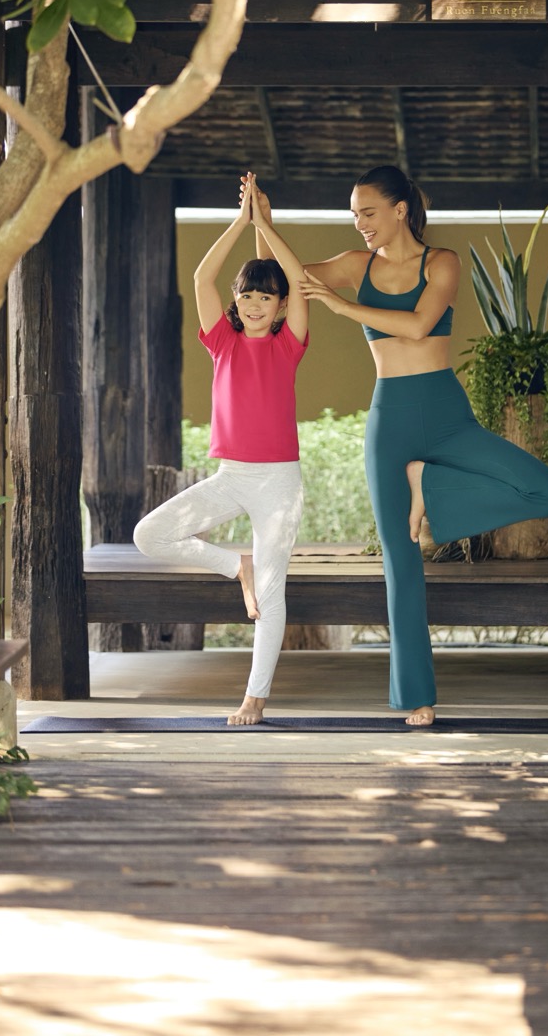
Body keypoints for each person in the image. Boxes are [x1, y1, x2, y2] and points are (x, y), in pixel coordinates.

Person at [254, 165, 548, 727]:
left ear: (400, 209)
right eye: (354, 214)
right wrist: (263, 223)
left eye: (368, 212)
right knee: (401, 559)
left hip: (446, 414)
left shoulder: (441, 262)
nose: (360, 223)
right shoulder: (356, 265)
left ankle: (430, 486)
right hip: (390, 418)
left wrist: (343, 307)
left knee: (546, 490)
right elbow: (278, 280)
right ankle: (417, 697)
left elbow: (421, 325)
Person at [133, 173, 309, 726]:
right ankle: (237, 566)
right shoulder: (222, 342)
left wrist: (265, 225)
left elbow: (296, 279)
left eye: (265, 297)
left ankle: (255, 697)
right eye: (246, 295)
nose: (254, 304)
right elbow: (201, 275)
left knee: (273, 593)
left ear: (280, 306)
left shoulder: (289, 344)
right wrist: (241, 222)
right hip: (231, 477)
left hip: (278, 483)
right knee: (148, 535)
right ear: (236, 300)